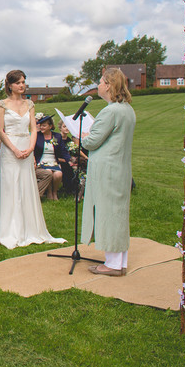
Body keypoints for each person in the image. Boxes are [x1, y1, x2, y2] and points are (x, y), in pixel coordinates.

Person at [0, 70, 64, 250]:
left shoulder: (30, 103)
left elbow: (34, 129)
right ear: (10, 85)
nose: (22, 85)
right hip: (9, 149)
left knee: (26, 186)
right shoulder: (2, 104)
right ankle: (8, 228)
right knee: (10, 186)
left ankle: (30, 227)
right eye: (19, 82)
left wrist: (30, 149)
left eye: (24, 82)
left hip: (27, 147)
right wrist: (14, 150)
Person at [81, 67, 136, 276]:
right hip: (120, 167)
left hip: (107, 168)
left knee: (108, 213)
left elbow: (93, 142)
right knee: (118, 212)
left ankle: (112, 264)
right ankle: (119, 260)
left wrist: (84, 136)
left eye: (101, 81)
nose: (98, 85)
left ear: (109, 85)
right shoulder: (127, 109)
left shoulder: (110, 110)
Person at [34, 115, 70, 200]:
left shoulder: (57, 136)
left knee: (58, 174)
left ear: (50, 126)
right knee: (48, 171)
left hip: (53, 161)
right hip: (42, 161)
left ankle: (55, 192)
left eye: (44, 125)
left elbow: (63, 150)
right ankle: (49, 193)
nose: (41, 127)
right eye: (40, 125)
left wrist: (69, 159)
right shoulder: (37, 136)